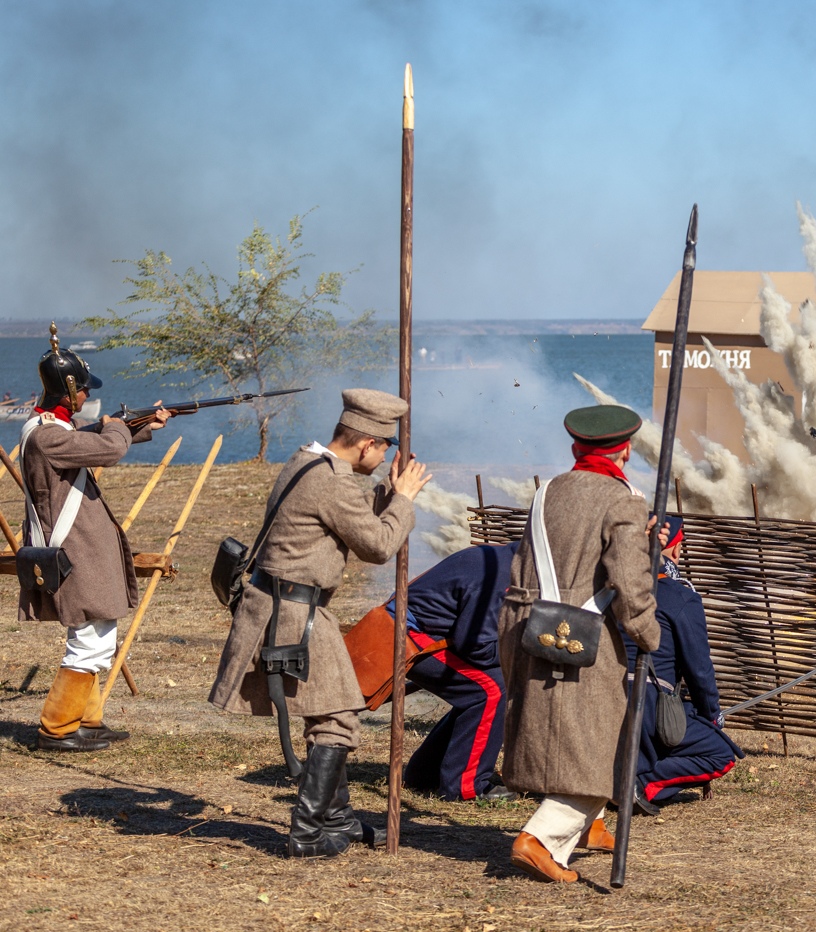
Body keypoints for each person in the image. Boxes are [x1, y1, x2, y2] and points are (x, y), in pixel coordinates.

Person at [209, 389, 430, 858]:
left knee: (327, 710)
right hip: (294, 612)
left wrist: (389, 492)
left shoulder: (310, 461)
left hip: (290, 604)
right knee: (337, 719)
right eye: (385, 447)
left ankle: (338, 818)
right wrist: (404, 500)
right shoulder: (329, 482)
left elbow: (348, 507)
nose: (387, 454)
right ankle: (307, 833)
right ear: (368, 444)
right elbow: (377, 545)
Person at [499, 404, 660, 884]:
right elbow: (629, 583)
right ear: (625, 449)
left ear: (577, 447)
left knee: (562, 734)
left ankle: (588, 825)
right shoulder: (624, 499)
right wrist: (647, 631)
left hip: (526, 619)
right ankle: (542, 839)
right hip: (579, 631)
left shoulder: (547, 491)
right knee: (600, 741)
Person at [19, 333, 169, 751]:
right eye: (83, 387)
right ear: (69, 389)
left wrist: (139, 426)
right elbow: (106, 449)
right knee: (87, 637)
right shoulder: (48, 436)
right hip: (75, 549)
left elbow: (94, 438)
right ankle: (58, 727)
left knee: (99, 632)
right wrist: (120, 427)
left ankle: (87, 719)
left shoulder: (51, 427)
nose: (87, 393)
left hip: (82, 547)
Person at [387, 540, 520, 802]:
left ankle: (426, 773)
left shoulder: (502, 558)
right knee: (491, 690)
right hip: (406, 635)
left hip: (421, 631)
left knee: (480, 688)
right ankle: (466, 786)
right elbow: (475, 645)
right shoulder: (502, 575)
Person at [621, 516, 737, 814]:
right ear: (673, 550)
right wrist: (711, 718)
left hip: (596, 702)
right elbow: (699, 672)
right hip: (645, 707)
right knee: (720, 754)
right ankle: (639, 784)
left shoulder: (610, 590)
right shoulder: (680, 596)